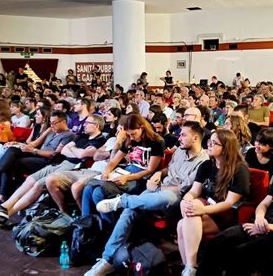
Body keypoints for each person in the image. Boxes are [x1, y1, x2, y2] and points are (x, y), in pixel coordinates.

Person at [85, 121, 209, 276]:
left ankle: (123, 200)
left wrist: (156, 188)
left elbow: (183, 189)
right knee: (129, 211)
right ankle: (106, 260)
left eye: (183, 135)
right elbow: (168, 170)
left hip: (175, 200)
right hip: (156, 190)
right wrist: (159, 174)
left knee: (165, 196)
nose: (179, 137)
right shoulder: (180, 151)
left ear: (196, 138)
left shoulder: (203, 162)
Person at [197, 145, 273, 276]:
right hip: (257, 224)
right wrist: (259, 218)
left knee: (239, 254)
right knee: (214, 245)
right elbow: (263, 204)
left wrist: (268, 227)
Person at [0, 114, 106, 224]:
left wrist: (74, 151)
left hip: (73, 168)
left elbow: (82, 155)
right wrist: (75, 151)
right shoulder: (82, 136)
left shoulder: (100, 140)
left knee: (39, 184)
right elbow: (65, 150)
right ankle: (3, 207)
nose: (84, 125)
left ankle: (8, 213)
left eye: (88, 123)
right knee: (30, 179)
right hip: (62, 162)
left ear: (96, 126)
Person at [177, 129, 251, 276]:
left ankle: (191, 267)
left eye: (214, 143)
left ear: (226, 148)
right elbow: (194, 191)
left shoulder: (239, 169)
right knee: (183, 222)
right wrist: (185, 201)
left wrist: (201, 210)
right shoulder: (206, 165)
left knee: (188, 218)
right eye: (209, 141)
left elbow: (229, 203)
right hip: (206, 211)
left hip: (226, 216)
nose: (209, 145)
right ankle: (190, 267)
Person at [80, 114, 164, 226]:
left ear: (142, 128)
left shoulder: (156, 142)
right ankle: (85, 224)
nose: (132, 137)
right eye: (129, 134)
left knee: (97, 193)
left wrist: (127, 177)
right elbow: (114, 160)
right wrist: (107, 171)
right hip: (125, 172)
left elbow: (150, 170)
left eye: (133, 133)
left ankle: (109, 227)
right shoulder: (130, 139)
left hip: (140, 178)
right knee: (88, 188)